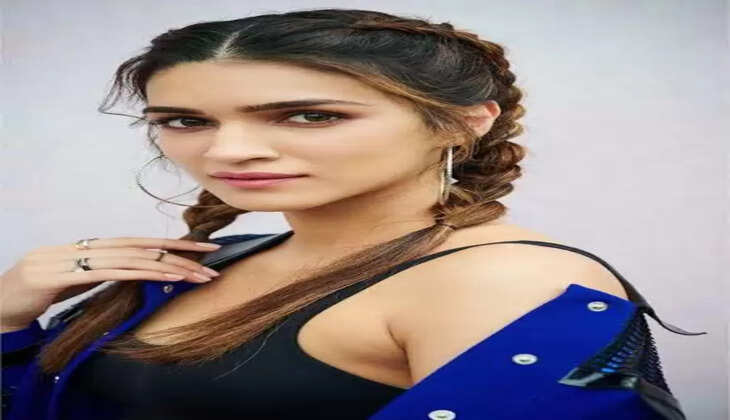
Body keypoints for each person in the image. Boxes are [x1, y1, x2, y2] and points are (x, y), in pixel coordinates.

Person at [1, 7, 706, 420]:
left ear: (464, 122)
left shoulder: (499, 285)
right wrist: (8, 320)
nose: (228, 150)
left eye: (310, 115)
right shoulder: (218, 258)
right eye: (186, 120)